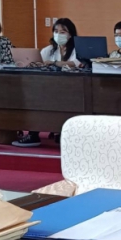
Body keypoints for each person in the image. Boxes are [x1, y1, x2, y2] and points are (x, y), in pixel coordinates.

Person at [13, 19, 80, 148]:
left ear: (70, 34)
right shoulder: (48, 50)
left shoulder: (77, 49)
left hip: (71, 88)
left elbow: (76, 63)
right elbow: (39, 62)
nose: (58, 34)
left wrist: (55, 63)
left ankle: (59, 131)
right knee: (35, 97)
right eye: (56, 31)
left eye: (63, 32)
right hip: (49, 87)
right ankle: (33, 134)